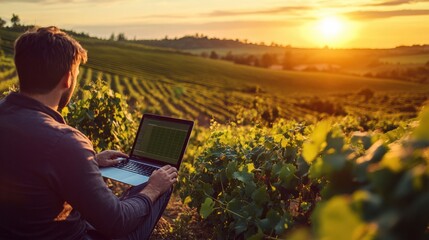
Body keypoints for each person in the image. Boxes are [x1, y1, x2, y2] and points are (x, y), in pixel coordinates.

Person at [0, 26, 178, 240]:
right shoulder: (65, 141)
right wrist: (153, 189)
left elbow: (26, 162)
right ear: (67, 78)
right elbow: (117, 222)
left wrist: (90, 161)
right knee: (160, 180)